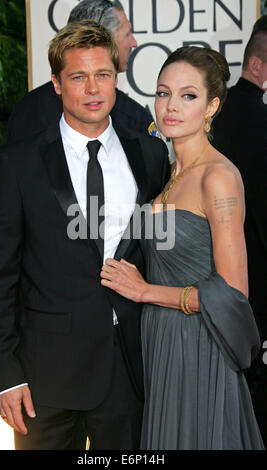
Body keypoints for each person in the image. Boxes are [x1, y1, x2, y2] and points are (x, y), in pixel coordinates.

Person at [0, 20, 170, 450]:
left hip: (130, 370)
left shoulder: (151, 154)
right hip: (43, 378)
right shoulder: (19, 163)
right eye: (78, 77)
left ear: (116, 77)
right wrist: (5, 376)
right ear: (56, 84)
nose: (92, 88)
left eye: (102, 74)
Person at [101, 46, 265, 450]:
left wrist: (144, 291)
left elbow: (233, 293)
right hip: (161, 341)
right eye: (163, 92)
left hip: (199, 346)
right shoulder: (169, 172)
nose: (171, 106)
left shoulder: (219, 178)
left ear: (211, 106)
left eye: (188, 95)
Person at [212, 16, 267, 445]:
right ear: (256, 65)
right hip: (253, 287)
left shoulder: (214, 117)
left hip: (205, 284)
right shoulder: (257, 123)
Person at [6, 0, 157, 143]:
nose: (134, 43)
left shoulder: (27, 108)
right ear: (100, 39)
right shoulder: (133, 119)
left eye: (102, 75)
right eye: (126, 34)